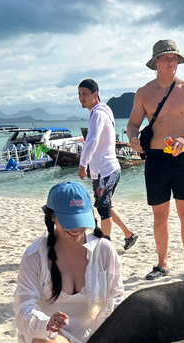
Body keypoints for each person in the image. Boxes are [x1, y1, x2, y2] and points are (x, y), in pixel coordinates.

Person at [14, 182, 124, 343]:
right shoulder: (35, 256)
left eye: (81, 220)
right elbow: (23, 306)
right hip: (54, 336)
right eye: (69, 221)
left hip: (95, 330)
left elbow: (117, 297)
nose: (76, 229)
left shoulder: (104, 249)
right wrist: (46, 322)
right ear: (52, 216)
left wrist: (105, 338)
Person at [127, 39, 184, 280]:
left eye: (174, 57)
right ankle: (162, 264)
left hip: (182, 158)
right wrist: (133, 138)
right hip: (155, 159)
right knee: (160, 215)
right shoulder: (144, 93)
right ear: (155, 62)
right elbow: (133, 124)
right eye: (166, 57)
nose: (171, 61)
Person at [77, 79, 138, 251]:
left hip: (106, 170)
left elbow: (93, 140)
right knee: (105, 204)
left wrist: (83, 164)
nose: (82, 98)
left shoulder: (98, 114)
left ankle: (105, 247)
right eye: (79, 94)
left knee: (103, 209)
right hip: (104, 170)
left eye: (85, 94)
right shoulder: (101, 110)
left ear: (95, 94)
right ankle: (128, 234)